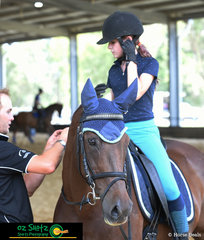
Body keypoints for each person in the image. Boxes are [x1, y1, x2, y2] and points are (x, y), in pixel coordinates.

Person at [97, 11, 189, 239]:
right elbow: (113, 101)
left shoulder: (149, 64)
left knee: (169, 187)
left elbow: (133, 93)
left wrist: (131, 61)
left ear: (127, 39)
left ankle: (182, 233)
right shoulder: (112, 70)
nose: (109, 47)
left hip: (144, 130)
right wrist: (99, 102)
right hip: (119, 131)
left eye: (112, 42)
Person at [0, 88, 69, 222]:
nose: (12, 117)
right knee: (63, 233)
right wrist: (63, 140)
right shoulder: (3, 150)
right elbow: (48, 165)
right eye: (8, 112)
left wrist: (49, 149)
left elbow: (26, 189)